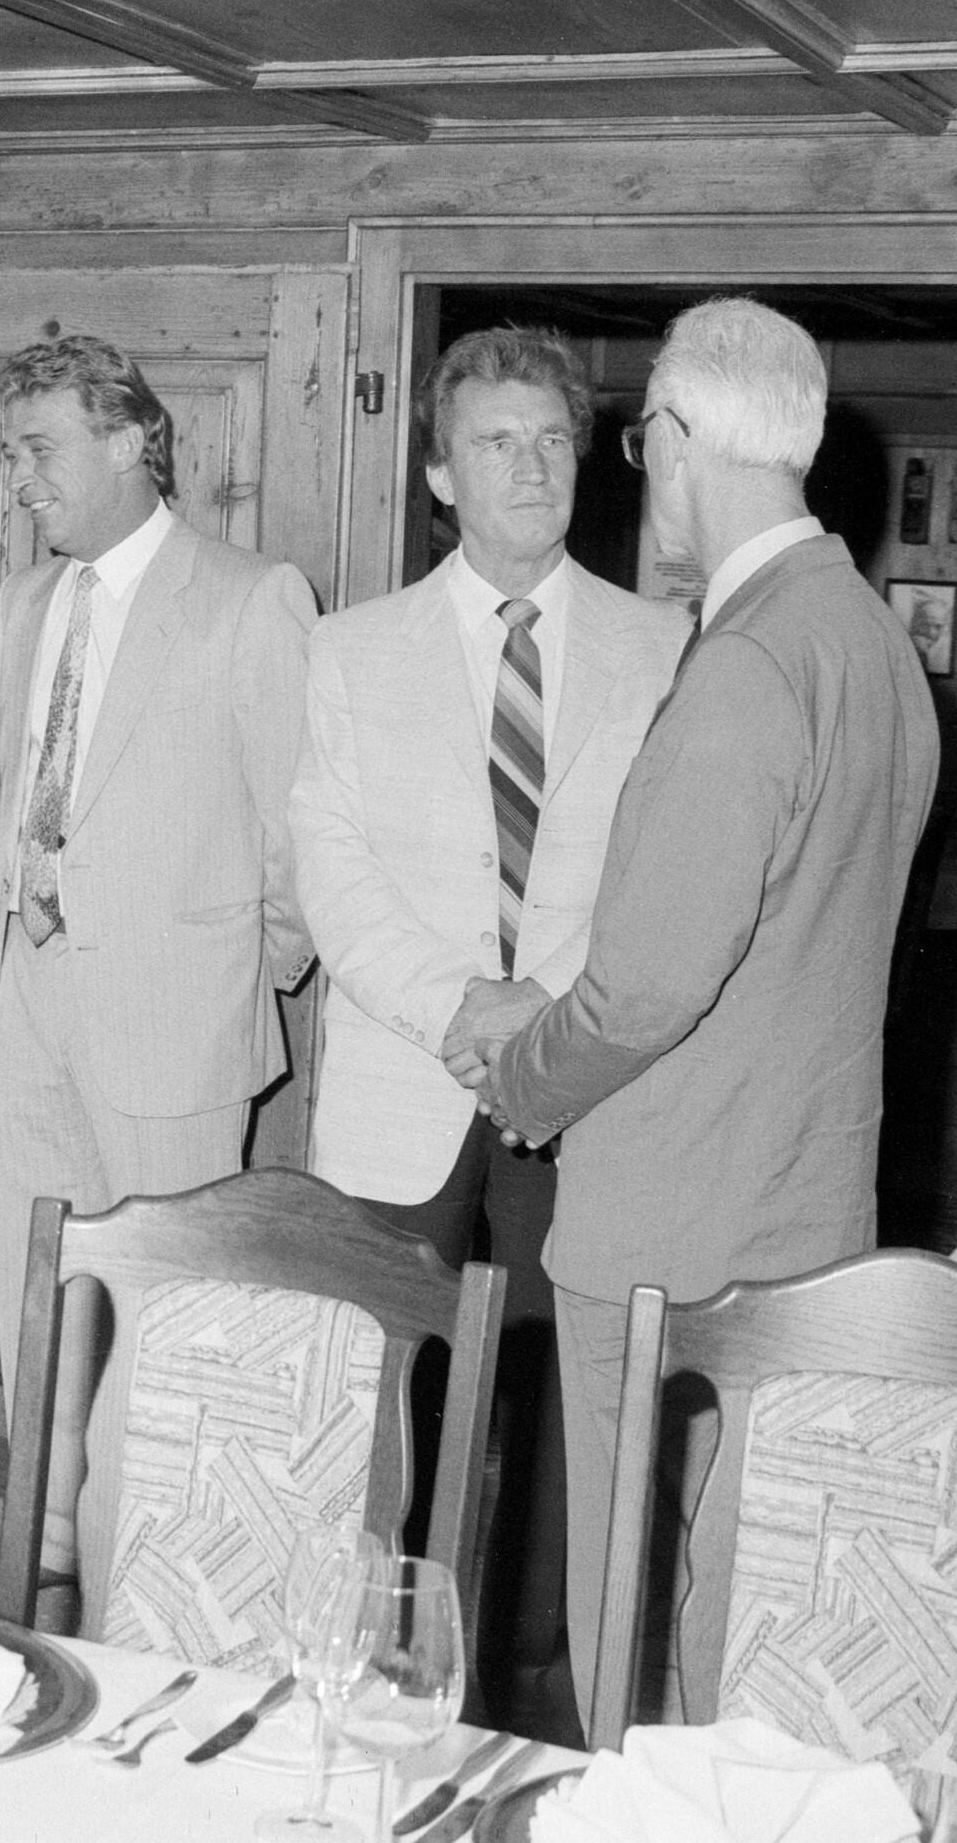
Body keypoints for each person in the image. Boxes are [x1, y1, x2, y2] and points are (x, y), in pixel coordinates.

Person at [468, 297, 940, 1705]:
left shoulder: (745, 662)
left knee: (628, 1629)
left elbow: (649, 986)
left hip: (669, 1224)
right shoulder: (868, 641)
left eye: (638, 445)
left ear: (674, 438)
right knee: (744, 1612)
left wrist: (523, 1077)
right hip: (803, 1206)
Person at [288, 325, 687, 1736]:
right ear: (440, 475)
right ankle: (368, 1679)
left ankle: (539, 1703)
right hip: (407, 1084)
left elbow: (664, 877)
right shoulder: (349, 649)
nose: (530, 465)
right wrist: (465, 1007)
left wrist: (548, 1025)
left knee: (571, 1408)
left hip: (582, 1094)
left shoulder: (665, 646)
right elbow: (333, 868)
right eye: (496, 442)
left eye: (553, 439)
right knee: (379, 1402)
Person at [0, 333, 316, 1581]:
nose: (19, 477)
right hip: (32, 988)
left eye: (40, 449)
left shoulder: (250, 596)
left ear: (130, 441)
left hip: (176, 1012)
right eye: (10, 453)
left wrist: (228, 977)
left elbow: (299, 835)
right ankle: (41, 1551)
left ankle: (147, 1574)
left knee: (164, 1314)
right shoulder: (25, 603)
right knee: (37, 1291)